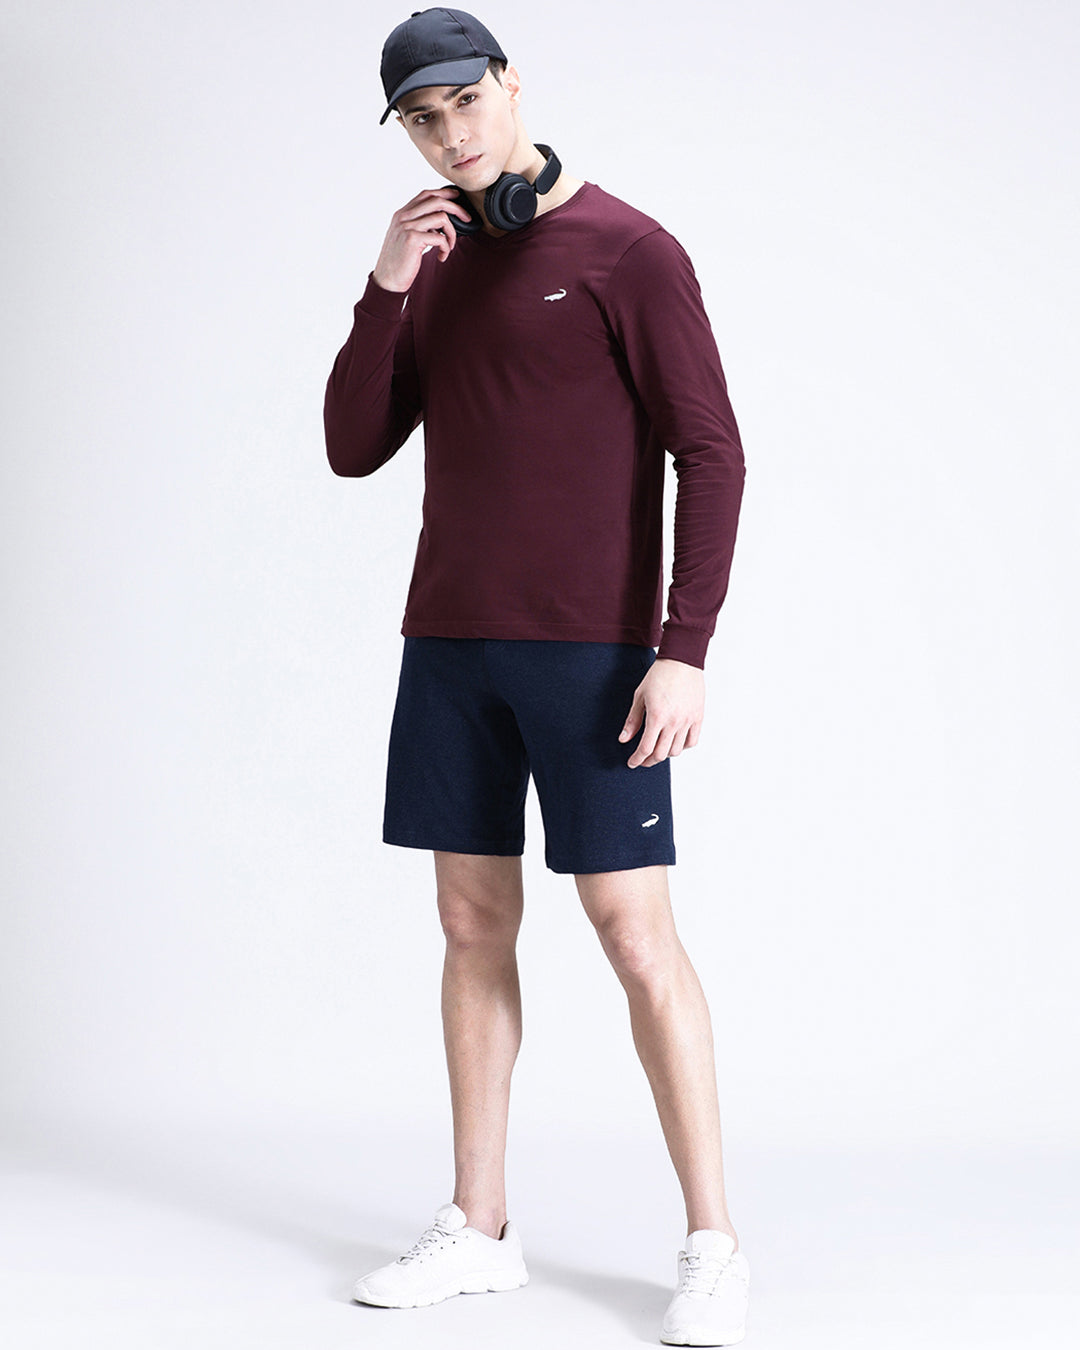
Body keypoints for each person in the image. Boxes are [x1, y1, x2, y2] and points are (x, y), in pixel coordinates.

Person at [323, 8, 750, 1345]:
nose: (448, 134)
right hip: (450, 646)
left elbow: (713, 451)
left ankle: (714, 1244)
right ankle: (480, 1226)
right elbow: (352, 445)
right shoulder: (438, 260)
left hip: (595, 654)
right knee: (469, 925)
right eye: (421, 119)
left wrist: (683, 648)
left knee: (633, 934)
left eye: (464, 102)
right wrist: (386, 286)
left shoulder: (630, 251)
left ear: (512, 85)